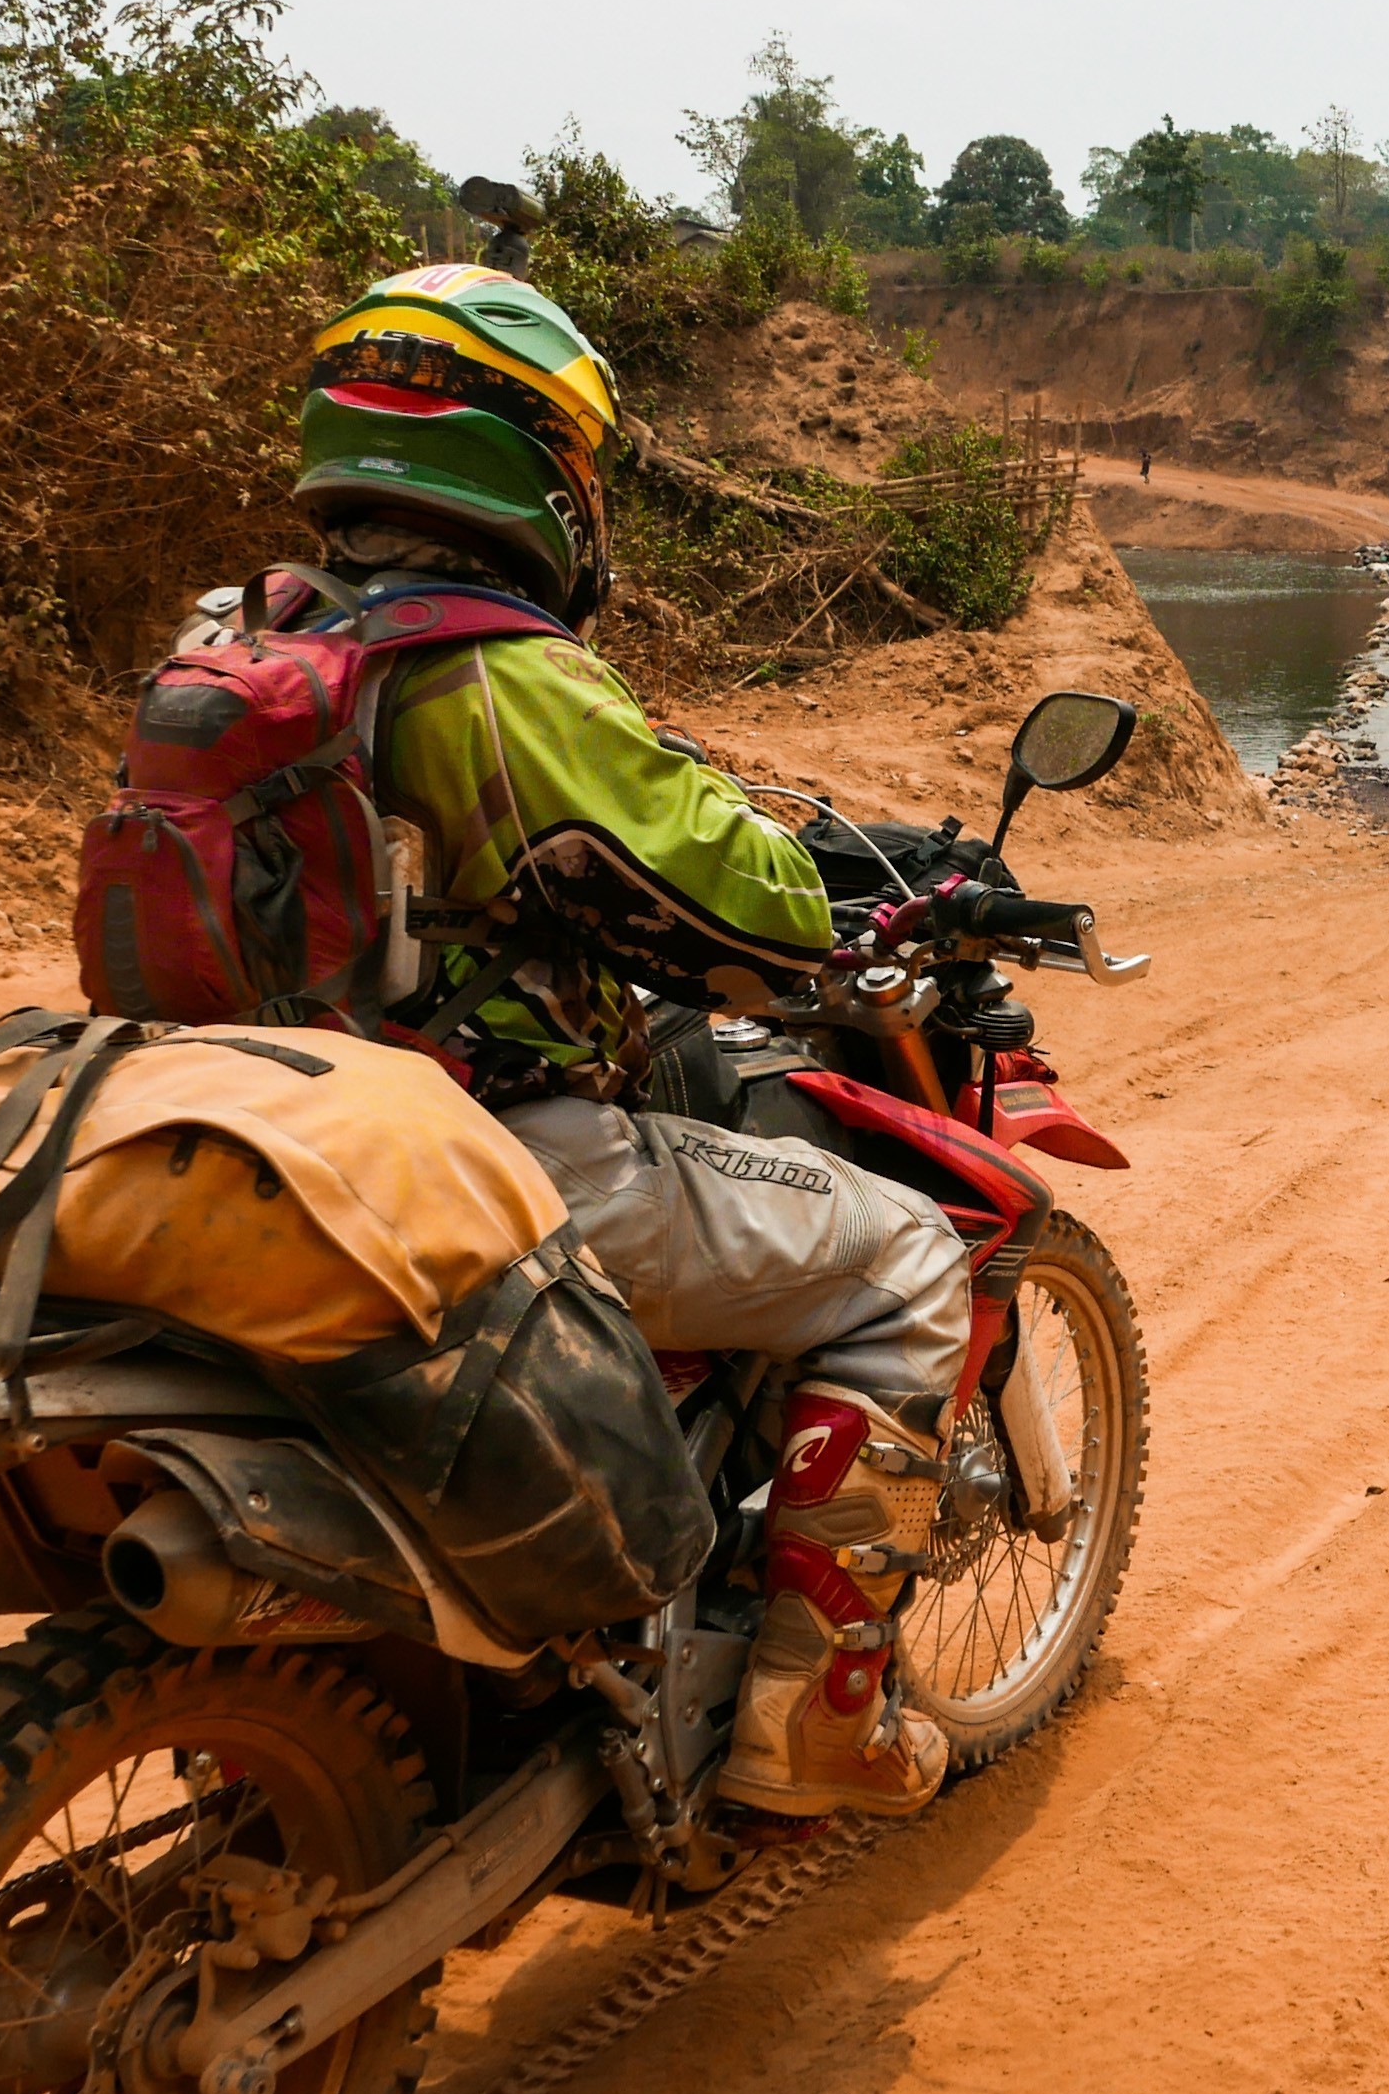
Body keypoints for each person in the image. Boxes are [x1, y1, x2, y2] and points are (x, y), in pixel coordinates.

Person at [288, 263, 966, 1819]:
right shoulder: (499, 673)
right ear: (538, 462)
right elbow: (747, 908)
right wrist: (811, 907)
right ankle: (815, 1722)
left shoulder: (240, 639)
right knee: (910, 1260)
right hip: (485, 1164)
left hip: (262, 1141)